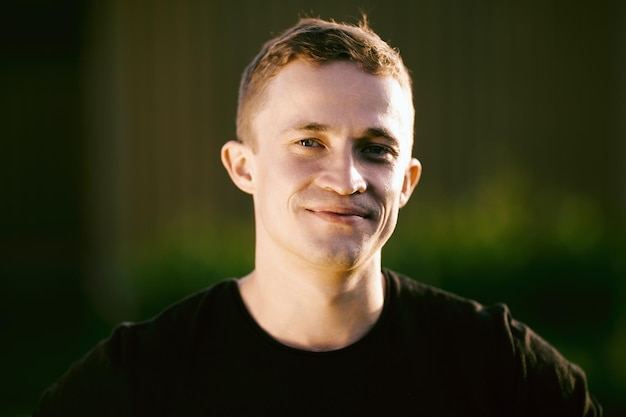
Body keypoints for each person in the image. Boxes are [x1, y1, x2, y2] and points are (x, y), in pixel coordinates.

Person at [33, 16, 601, 416]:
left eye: (376, 149)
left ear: (406, 183)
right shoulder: (138, 381)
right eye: (309, 142)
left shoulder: (501, 371)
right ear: (243, 167)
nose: (346, 178)